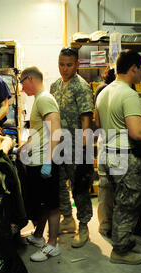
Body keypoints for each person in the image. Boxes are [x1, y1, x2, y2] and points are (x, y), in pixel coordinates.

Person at [95, 50, 141, 264]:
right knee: (128, 204)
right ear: (133, 68)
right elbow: (136, 133)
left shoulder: (104, 92)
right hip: (123, 155)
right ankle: (122, 250)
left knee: (118, 200)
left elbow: (99, 124)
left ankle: (120, 238)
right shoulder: (129, 94)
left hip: (107, 152)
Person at [50, 47, 94, 248]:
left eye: (68, 65)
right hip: (59, 144)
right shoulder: (55, 86)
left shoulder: (81, 87)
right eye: (61, 64)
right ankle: (67, 219)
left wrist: (85, 150)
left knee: (80, 188)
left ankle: (83, 226)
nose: (64, 69)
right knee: (59, 184)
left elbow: (87, 119)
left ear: (76, 64)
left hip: (77, 145)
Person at [18, 66, 62, 262]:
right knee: (44, 202)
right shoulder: (39, 100)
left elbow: (55, 132)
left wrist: (49, 162)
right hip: (38, 160)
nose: (21, 87)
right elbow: (40, 131)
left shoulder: (44, 99)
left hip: (46, 160)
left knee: (51, 204)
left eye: (21, 82)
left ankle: (53, 245)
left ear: (29, 79)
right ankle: (38, 236)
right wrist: (25, 147)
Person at [94, 66, 116, 237]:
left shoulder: (101, 89)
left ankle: (106, 224)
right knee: (111, 185)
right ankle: (109, 224)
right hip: (115, 141)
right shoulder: (105, 89)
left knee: (106, 185)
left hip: (106, 140)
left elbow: (97, 121)